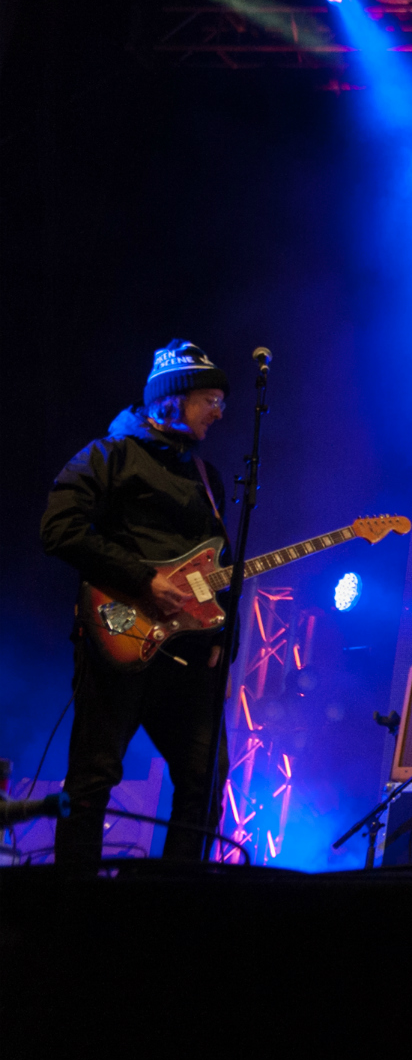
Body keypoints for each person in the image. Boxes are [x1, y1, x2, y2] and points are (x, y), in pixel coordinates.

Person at [40, 341, 233, 865]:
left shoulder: (206, 478)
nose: (220, 411)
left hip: (188, 657)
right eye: (210, 399)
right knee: (92, 779)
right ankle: (71, 909)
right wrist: (145, 579)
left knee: (205, 782)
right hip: (117, 637)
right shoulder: (107, 456)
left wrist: (223, 639)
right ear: (171, 401)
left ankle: (173, 908)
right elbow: (58, 529)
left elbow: (221, 571)